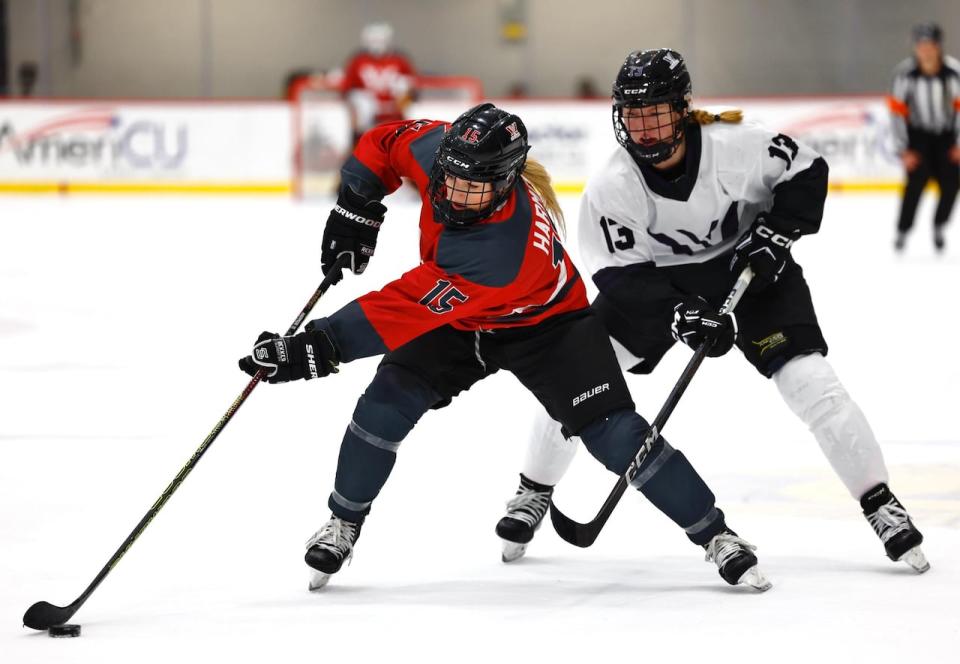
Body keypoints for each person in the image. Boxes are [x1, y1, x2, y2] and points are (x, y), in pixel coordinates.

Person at [238, 103, 771, 592]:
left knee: (617, 438)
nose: (452, 193)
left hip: (549, 327)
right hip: (461, 320)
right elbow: (382, 141)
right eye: (449, 178)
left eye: (473, 187)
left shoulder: (498, 252)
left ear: (505, 182)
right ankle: (342, 523)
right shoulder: (439, 150)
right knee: (382, 405)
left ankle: (715, 534)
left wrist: (317, 347)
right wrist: (358, 205)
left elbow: (396, 311)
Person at [498, 49, 930, 574]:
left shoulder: (739, 144)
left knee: (813, 384)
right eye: (632, 116)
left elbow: (808, 170)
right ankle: (534, 490)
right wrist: (679, 311)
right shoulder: (613, 186)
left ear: (681, 109)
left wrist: (777, 233)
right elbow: (618, 274)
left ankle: (879, 502)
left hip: (753, 271)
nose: (643, 129)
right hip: (660, 285)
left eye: (654, 113)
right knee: (574, 380)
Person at [889, 22, 960, 252]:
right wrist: (903, 149)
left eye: (930, 45)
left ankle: (939, 225)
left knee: (951, 183)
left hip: (946, 136)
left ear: (938, 47)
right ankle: (903, 229)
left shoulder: (954, 73)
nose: (925, 50)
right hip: (918, 137)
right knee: (915, 184)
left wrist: (959, 144)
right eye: (921, 45)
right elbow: (897, 113)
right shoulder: (905, 74)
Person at [340, 22, 417, 145]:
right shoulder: (358, 61)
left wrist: (402, 100)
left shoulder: (400, 61)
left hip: (395, 116)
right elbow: (347, 91)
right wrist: (357, 113)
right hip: (367, 118)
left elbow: (411, 91)